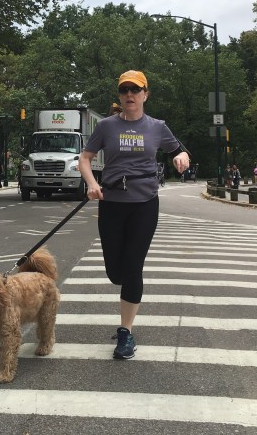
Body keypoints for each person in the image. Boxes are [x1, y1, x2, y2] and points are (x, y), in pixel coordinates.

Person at [78, 70, 189, 360]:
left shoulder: (157, 127)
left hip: (144, 204)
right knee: (116, 272)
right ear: (119, 95)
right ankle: (125, 303)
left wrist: (180, 157)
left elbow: (180, 151)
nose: (130, 95)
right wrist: (92, 183)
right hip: (112, 203)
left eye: (135, 90)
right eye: (125, 90)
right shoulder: (106, 126)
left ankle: (126, 332)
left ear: (145, 94)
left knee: (133, 266)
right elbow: (85, 159)